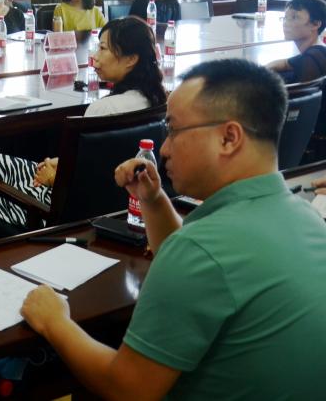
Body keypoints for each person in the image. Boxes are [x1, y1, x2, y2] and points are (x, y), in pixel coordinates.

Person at [20, 59, 326, 401]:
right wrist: (152, 200)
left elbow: (127, 388)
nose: (164, 148)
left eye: (174, 130)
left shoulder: (200, 252)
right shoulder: (307, 218)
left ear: (228, 138)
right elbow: (202, 272)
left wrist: (54, 321)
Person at [0, 17, 166, 237]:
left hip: (64, 213)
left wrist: (52, 177)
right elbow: (98, 163)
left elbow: (81, 182)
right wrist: (62, 162)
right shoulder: (156, 102)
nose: (95, 56)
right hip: (120, 206)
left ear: (131, 59)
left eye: (103, 48)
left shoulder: (104, 109)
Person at [266, 0, 326, 83]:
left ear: (315, 24)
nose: (285, 23)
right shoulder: (312, 53)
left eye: (294, 17)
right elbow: (285, 63)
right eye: (285, 17)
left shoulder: (315, 57)